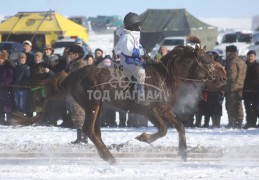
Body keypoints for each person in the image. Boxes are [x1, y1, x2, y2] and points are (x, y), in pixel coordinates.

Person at [113, 12, 147, 103]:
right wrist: (140, 52)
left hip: (134, 60)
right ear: (133, 25)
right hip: (127, 61)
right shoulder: (127, 36)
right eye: (138, 25)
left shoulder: (133, 34)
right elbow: (128, 50)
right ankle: (139, 95)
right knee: (141, 72)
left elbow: (136, 45)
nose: (140, 27)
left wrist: (142, 50)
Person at [224, 45, 247, 129]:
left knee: (230, 105)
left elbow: (231, 76)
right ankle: (239, 122)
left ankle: (232, 122)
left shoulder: (231, 62)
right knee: (238, 105)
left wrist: (224, 82)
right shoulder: (241, 61)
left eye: (227, 52)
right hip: (240, 87)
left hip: (232, 88)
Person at [27, 51, 54, 116]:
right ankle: (30, 119)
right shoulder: (32, 65)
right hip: (33, 87)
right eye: (35, 57)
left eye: (38, 57)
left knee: (40, 105)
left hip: (41, 88)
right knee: (32, 104)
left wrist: (49, 71)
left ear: (41, 58)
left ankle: (40, 118)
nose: (37, 58)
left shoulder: (45, 65)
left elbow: (52, 75)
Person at [243, 50, 259, 129]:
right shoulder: (244, 65)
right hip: (246, 90)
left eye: (252, 56)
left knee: (255, 107)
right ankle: (249, 122)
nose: (250, 58)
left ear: (254, 57)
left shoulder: (257, 66)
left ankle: (253, 122)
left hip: (255, 91)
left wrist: (251, 83)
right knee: (248, 108)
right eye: (249, 56)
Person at [0, 51, 15, 125]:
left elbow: (10, 77)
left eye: (1, 59)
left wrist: (4, 83)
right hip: (1, 88)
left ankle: (9, 119)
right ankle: (1, 119)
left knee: (8, 103)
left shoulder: (8, 66)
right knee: (1, 103)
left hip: (7, 87)